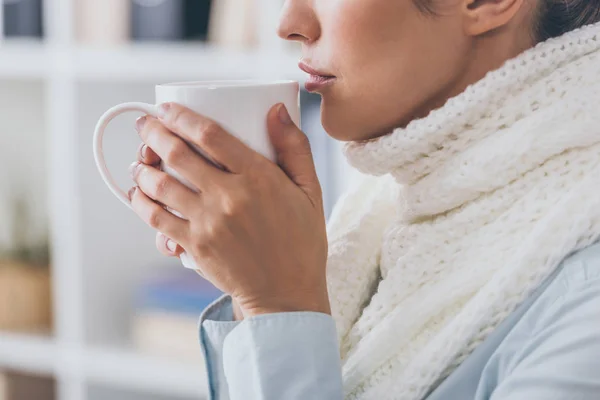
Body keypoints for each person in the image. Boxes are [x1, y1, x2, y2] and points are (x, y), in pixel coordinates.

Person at [126, 0, 600, 399]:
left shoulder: (585, 304)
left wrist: (280, 307)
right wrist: (256, 287)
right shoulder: (388, 208)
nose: (289, 23)